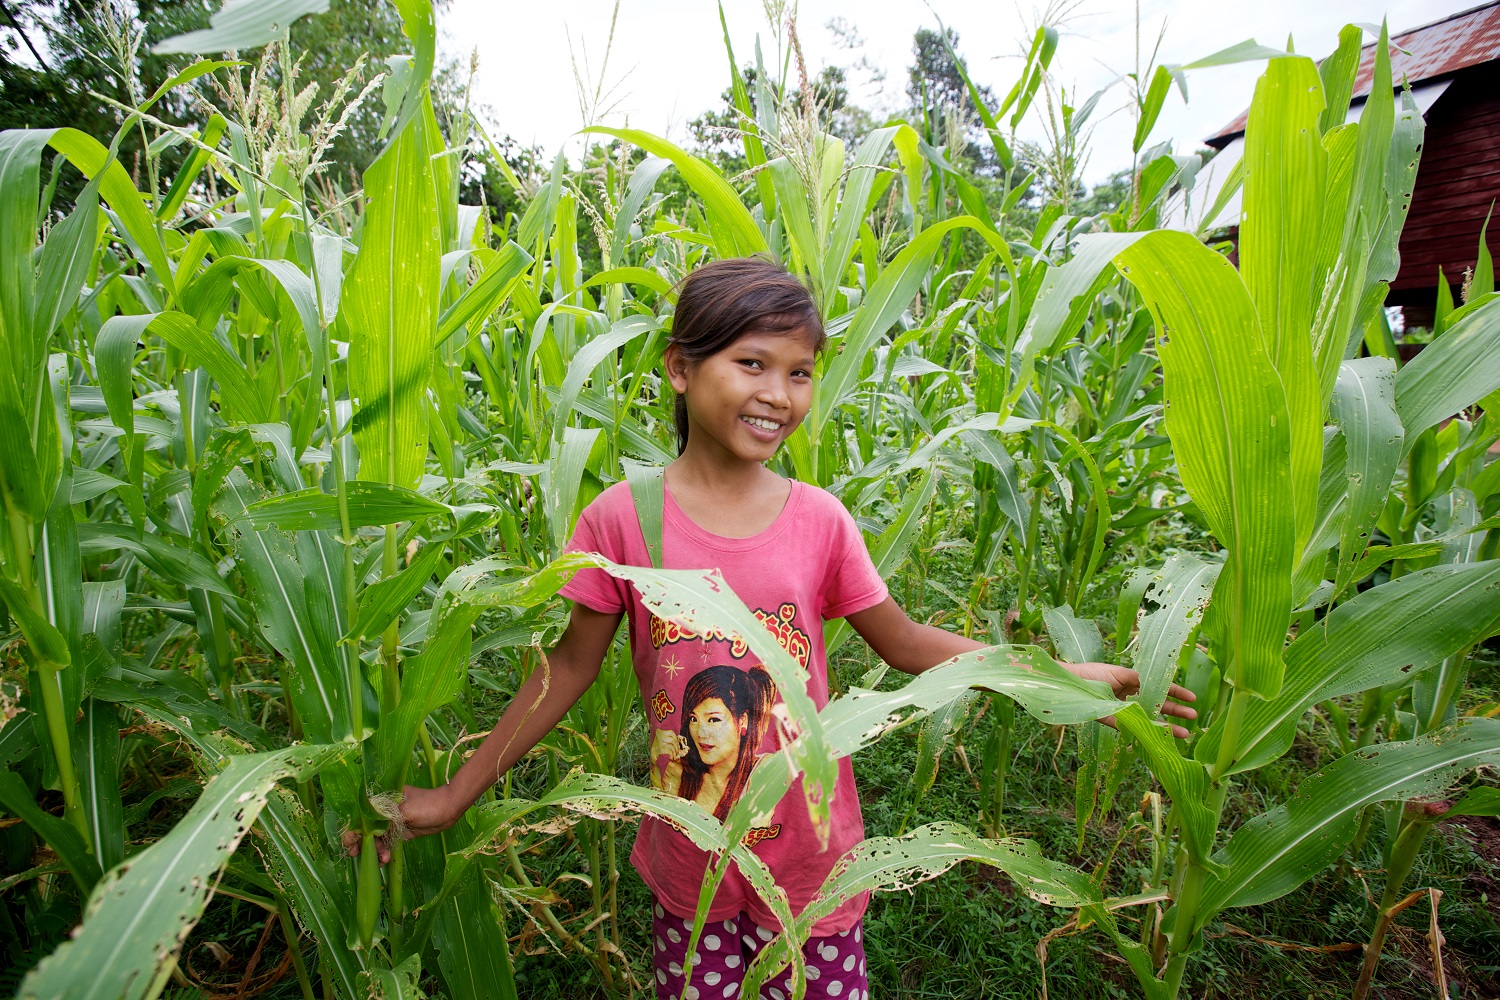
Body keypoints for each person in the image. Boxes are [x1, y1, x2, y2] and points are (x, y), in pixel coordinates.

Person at [349, 256, 1197, 1000]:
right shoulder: (623, 519)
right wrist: (456, 795)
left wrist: (1069, 680)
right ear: (682, 369)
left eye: (799, 372)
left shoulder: (819, 520)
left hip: (813, 860)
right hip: (692, 860)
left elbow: (905, 644)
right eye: (751, 363)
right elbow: (565, 671)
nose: (778, 394)